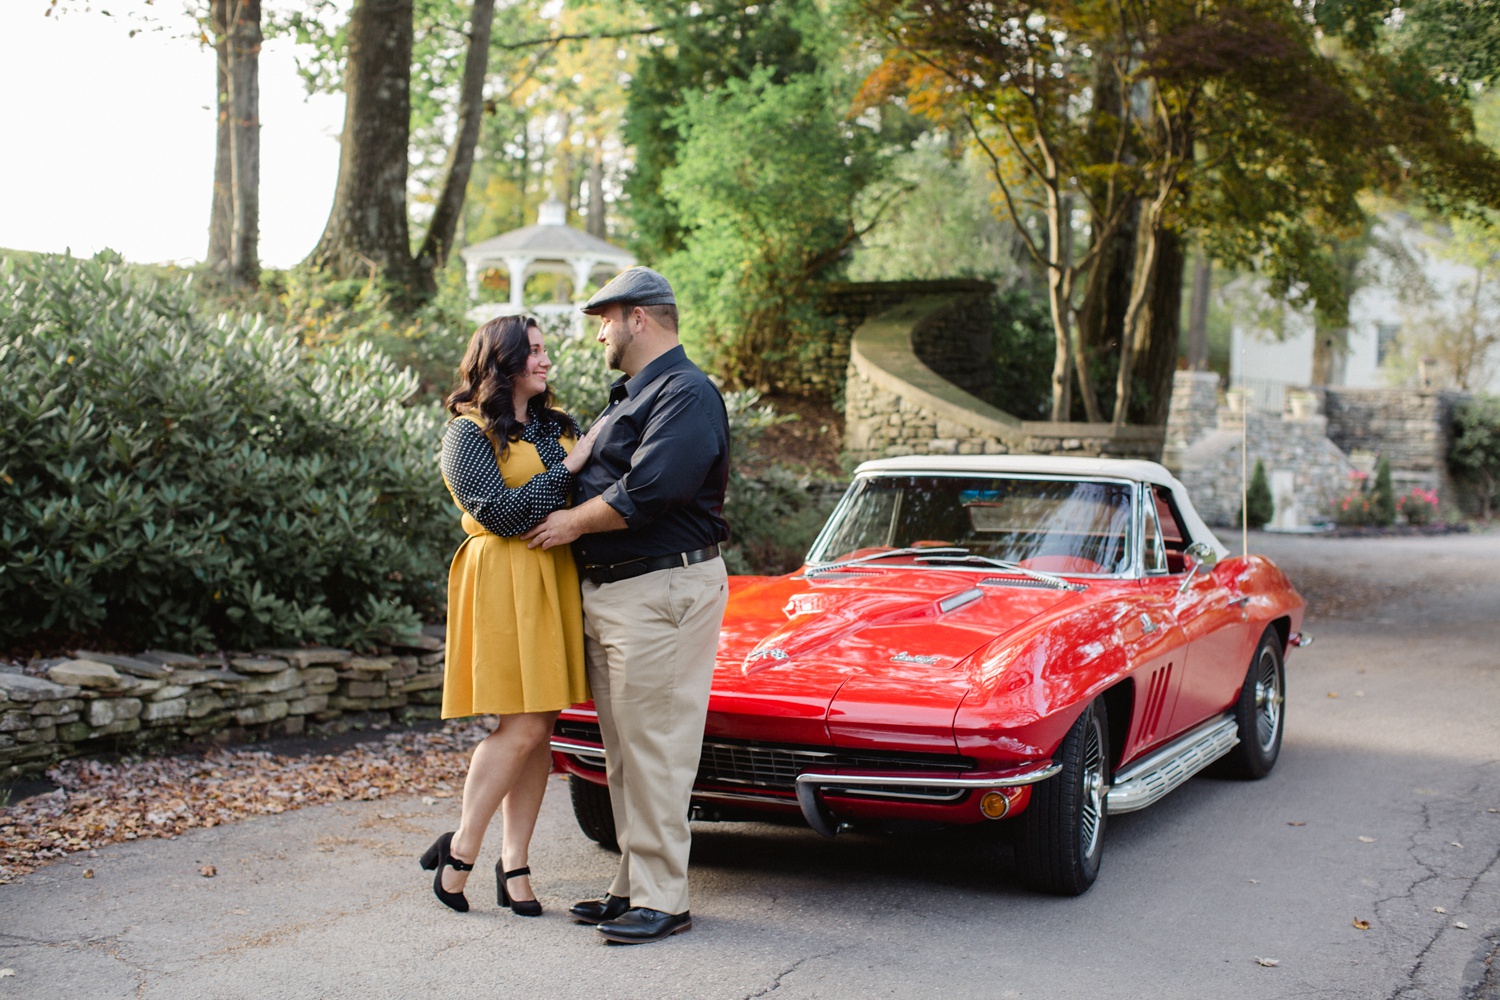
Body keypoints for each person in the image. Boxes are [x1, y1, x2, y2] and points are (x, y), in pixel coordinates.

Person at [524, 266, 730, 945]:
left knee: (658, 751)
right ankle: (632, 886)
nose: (601, 332)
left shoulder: (688, 393)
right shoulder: (628, 397)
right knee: (624, 752)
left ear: (640, 318)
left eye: (606, 318)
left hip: (662, 589)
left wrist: (570, 524)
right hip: (619, 593)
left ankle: (665, 900)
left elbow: (652, 489)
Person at [421, 314, 601, 915]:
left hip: (554, 579)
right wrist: (570, 470)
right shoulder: (467, 433)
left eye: (546, 350)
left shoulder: (559, 426)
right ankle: (463, 851)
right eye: (535, 352)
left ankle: (515, 863)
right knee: (520, 726)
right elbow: (501, 513)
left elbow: (587, 504)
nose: (547, 361)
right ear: (502, 361)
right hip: (501, 582)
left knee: (541, 731)